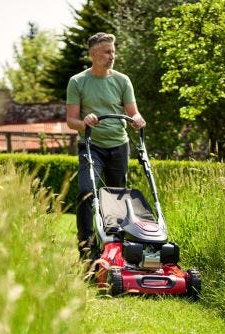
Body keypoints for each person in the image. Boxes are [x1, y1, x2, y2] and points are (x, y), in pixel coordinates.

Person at [66, 32, 146, 260]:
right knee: (85, 192)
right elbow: (71, 121)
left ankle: (115, 249)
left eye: (113, 51)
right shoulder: (78, 82)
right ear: (93, 54)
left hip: (118, 145)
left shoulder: (122, 80)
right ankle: (86, 249)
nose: (112, 56)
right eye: (107, 52)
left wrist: (138, 119)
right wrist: (85, 122)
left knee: (117, 196)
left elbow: (133, 112)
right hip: (91, 146)